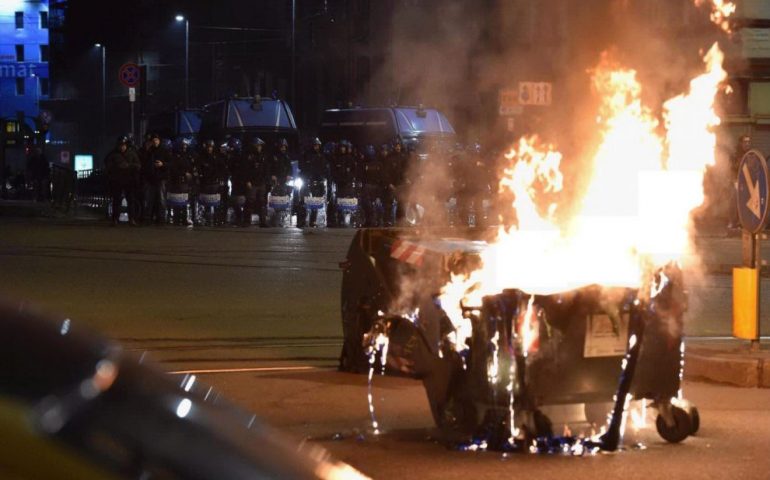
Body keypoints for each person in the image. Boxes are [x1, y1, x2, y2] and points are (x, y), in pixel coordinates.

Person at [104, 135, 141, 226]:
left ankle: (131, 219)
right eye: (120, 145)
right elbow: (108, 165)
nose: (122, 147)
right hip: (117, 180)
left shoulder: (132, 153)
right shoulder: (113, 154)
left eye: (124, 145)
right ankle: (115, 219)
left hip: (129, 180)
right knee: (116, 200)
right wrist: (117, 167)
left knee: (131, 200)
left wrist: (129, 166)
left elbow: (138, 165)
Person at [297, 137, 328, 227]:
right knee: (303, 201)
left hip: (317, 182)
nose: (316, 147)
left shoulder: (321, 156)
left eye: (318, 145)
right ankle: (302, 220)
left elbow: (324, 169)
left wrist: (321, 179)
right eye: (315, 145)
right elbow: (301, 166)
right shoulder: (306, 155)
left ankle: (313, 221)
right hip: (307, 181)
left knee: (315, 202)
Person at [197, 139, 228, 225]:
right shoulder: (201, 157)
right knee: (206, 202)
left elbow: (222, 168)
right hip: (205, 183)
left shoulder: (216, 157)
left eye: (211, 147)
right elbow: (199, 168)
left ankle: (217, 219)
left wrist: (219, 178)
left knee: (216, 202)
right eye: (208, 146)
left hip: (215, 183)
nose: (209, 148)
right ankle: (207, 220)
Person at [140, 133, 169, 225]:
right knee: (149, 199)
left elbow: (170, 164)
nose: (155, 142)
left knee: (161, 199)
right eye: (153, 140)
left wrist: (162, 164)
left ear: (159, 141)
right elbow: (144, 163)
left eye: (157, 140)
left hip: (160, 178)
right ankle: (148, 217)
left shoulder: (164, 151)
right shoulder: (149, 151)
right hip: (150, 179)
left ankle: (161, 218)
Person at [328, 140, 358, 227]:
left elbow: (355, 171)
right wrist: (337, 179)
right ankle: (339, 220)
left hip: (348, 184)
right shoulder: (336, 159)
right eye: (341, 147)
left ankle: (348, 220)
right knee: (339, 202)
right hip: (339, 184)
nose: (342, 149)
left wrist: (350, 178)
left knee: (348, 202)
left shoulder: (350, 159)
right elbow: (333, 172)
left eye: (344, 147)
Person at [242, 137, 269, 227]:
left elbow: (266, 169)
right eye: (258, 145)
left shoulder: (263, 156)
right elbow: (245, 170)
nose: (259, 147)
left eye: (260, 146)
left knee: (262, 202)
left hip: (261, 182)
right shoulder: (249, 156)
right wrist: (247, 180)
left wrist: (266, 180)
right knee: (250, 201)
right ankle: (246, 221)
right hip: (252, 183)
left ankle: (263, 222)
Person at [167, 137, 195, 225]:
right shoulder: (175, 156)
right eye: (183, 145)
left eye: (186, 145)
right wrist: (184, 173)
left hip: (185, 182)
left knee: (184, 201)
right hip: (177, 181)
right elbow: (173, 169)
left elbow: (190, 167)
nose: (185, 147)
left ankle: (184, 219)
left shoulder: (187, 155)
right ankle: (176, 218)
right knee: (177, 201)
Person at [728, 134, 752, 230]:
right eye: (745, 142)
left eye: (749, 142)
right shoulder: (735, 154)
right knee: (734, 201)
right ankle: (732, 222)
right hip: (737, 181)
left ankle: (742, 222)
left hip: (748, 183)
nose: (747, 144)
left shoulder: (752, 154)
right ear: (741, 143)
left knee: (746, 203)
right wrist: (734, 181)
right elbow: (732, 168)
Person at [385, 139, 410, 226]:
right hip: (393, 184)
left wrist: (407, 179)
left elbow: (407, 170)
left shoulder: (404, 157)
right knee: (389, 203)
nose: (398, 147)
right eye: (396, 145)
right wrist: (389, 183)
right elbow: (386, 172)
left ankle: (401, 221)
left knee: (402, 203)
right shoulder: (390, 158)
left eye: (399, 145)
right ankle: (388, 221)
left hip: (401, 184)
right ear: (394, 146)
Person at [362, 144, 386, 227]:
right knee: (367, 205)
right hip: (367, 186)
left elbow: (382, 176)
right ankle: (369, 220)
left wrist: (381, 186)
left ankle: (379, 220)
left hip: (376, 186)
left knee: (378, 204)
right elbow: (362, 175)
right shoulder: (364, 164)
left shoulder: (379, 164)